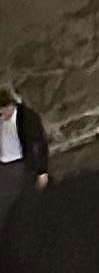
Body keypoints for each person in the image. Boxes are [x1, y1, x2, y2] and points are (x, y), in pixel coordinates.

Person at [0, 91, 44, 257]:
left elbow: (39, 143)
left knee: (26, 200)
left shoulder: (27, 119)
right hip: (5, 168)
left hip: (23, 166)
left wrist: (42, 171)